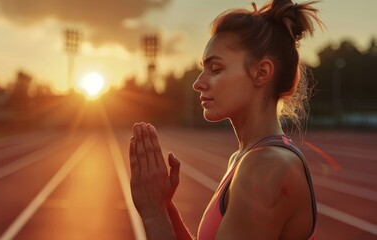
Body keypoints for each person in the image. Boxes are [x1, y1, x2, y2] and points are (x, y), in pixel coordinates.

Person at [129, 0, 323, 239]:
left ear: (261, 72)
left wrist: (153, 216)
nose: (198, 83)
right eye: (203, 69)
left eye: (216, 69)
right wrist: (164, 207)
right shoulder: (246, 158)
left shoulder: (267, 167)